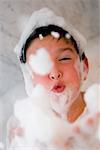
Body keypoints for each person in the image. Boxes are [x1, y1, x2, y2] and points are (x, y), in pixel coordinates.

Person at [6, 7, 100, 150]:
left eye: (64, 58)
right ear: (29, 78)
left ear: (84, 67)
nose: (54, 73)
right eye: (40, 65)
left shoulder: (97, 109)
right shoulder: (22, 127)